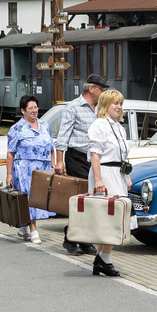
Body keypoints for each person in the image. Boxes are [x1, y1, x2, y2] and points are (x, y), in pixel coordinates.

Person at [54, 73, 107, 255]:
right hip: (76, 157)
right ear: (91, 89)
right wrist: (59, 160)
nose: (103, 92)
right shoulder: (73, 107)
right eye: (101, 89)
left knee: (93, 200)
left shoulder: (100, 108)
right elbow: (63, 135)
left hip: (94, 159)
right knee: (83, 199)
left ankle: (83, 240)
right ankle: (71, 237)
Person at [86, 89, 133, 277]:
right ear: (105, 106)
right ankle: (105, 259)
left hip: (117, 174)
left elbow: (122, 155)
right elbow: (95, 154)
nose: (119, 107)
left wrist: (127, 176)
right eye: (115, 103)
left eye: (120, 103)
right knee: (112, 219)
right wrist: (98, 180)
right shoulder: (99, 125)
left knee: (111, 219)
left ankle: (100, 259)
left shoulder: (119, 127)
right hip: (104, 174)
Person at [4, 93, 56, 244]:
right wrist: (9, 174)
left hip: (43, 167)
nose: (34, 110)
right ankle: (33, 229)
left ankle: (24, 227)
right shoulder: (17, 128)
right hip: (24, 168)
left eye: (36, 107)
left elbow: (51, 147)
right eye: (30, 108)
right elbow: (10, 153)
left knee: (39, 197)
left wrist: (53, 165)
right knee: (29, 198)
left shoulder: (44, 125)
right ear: (23, 111)